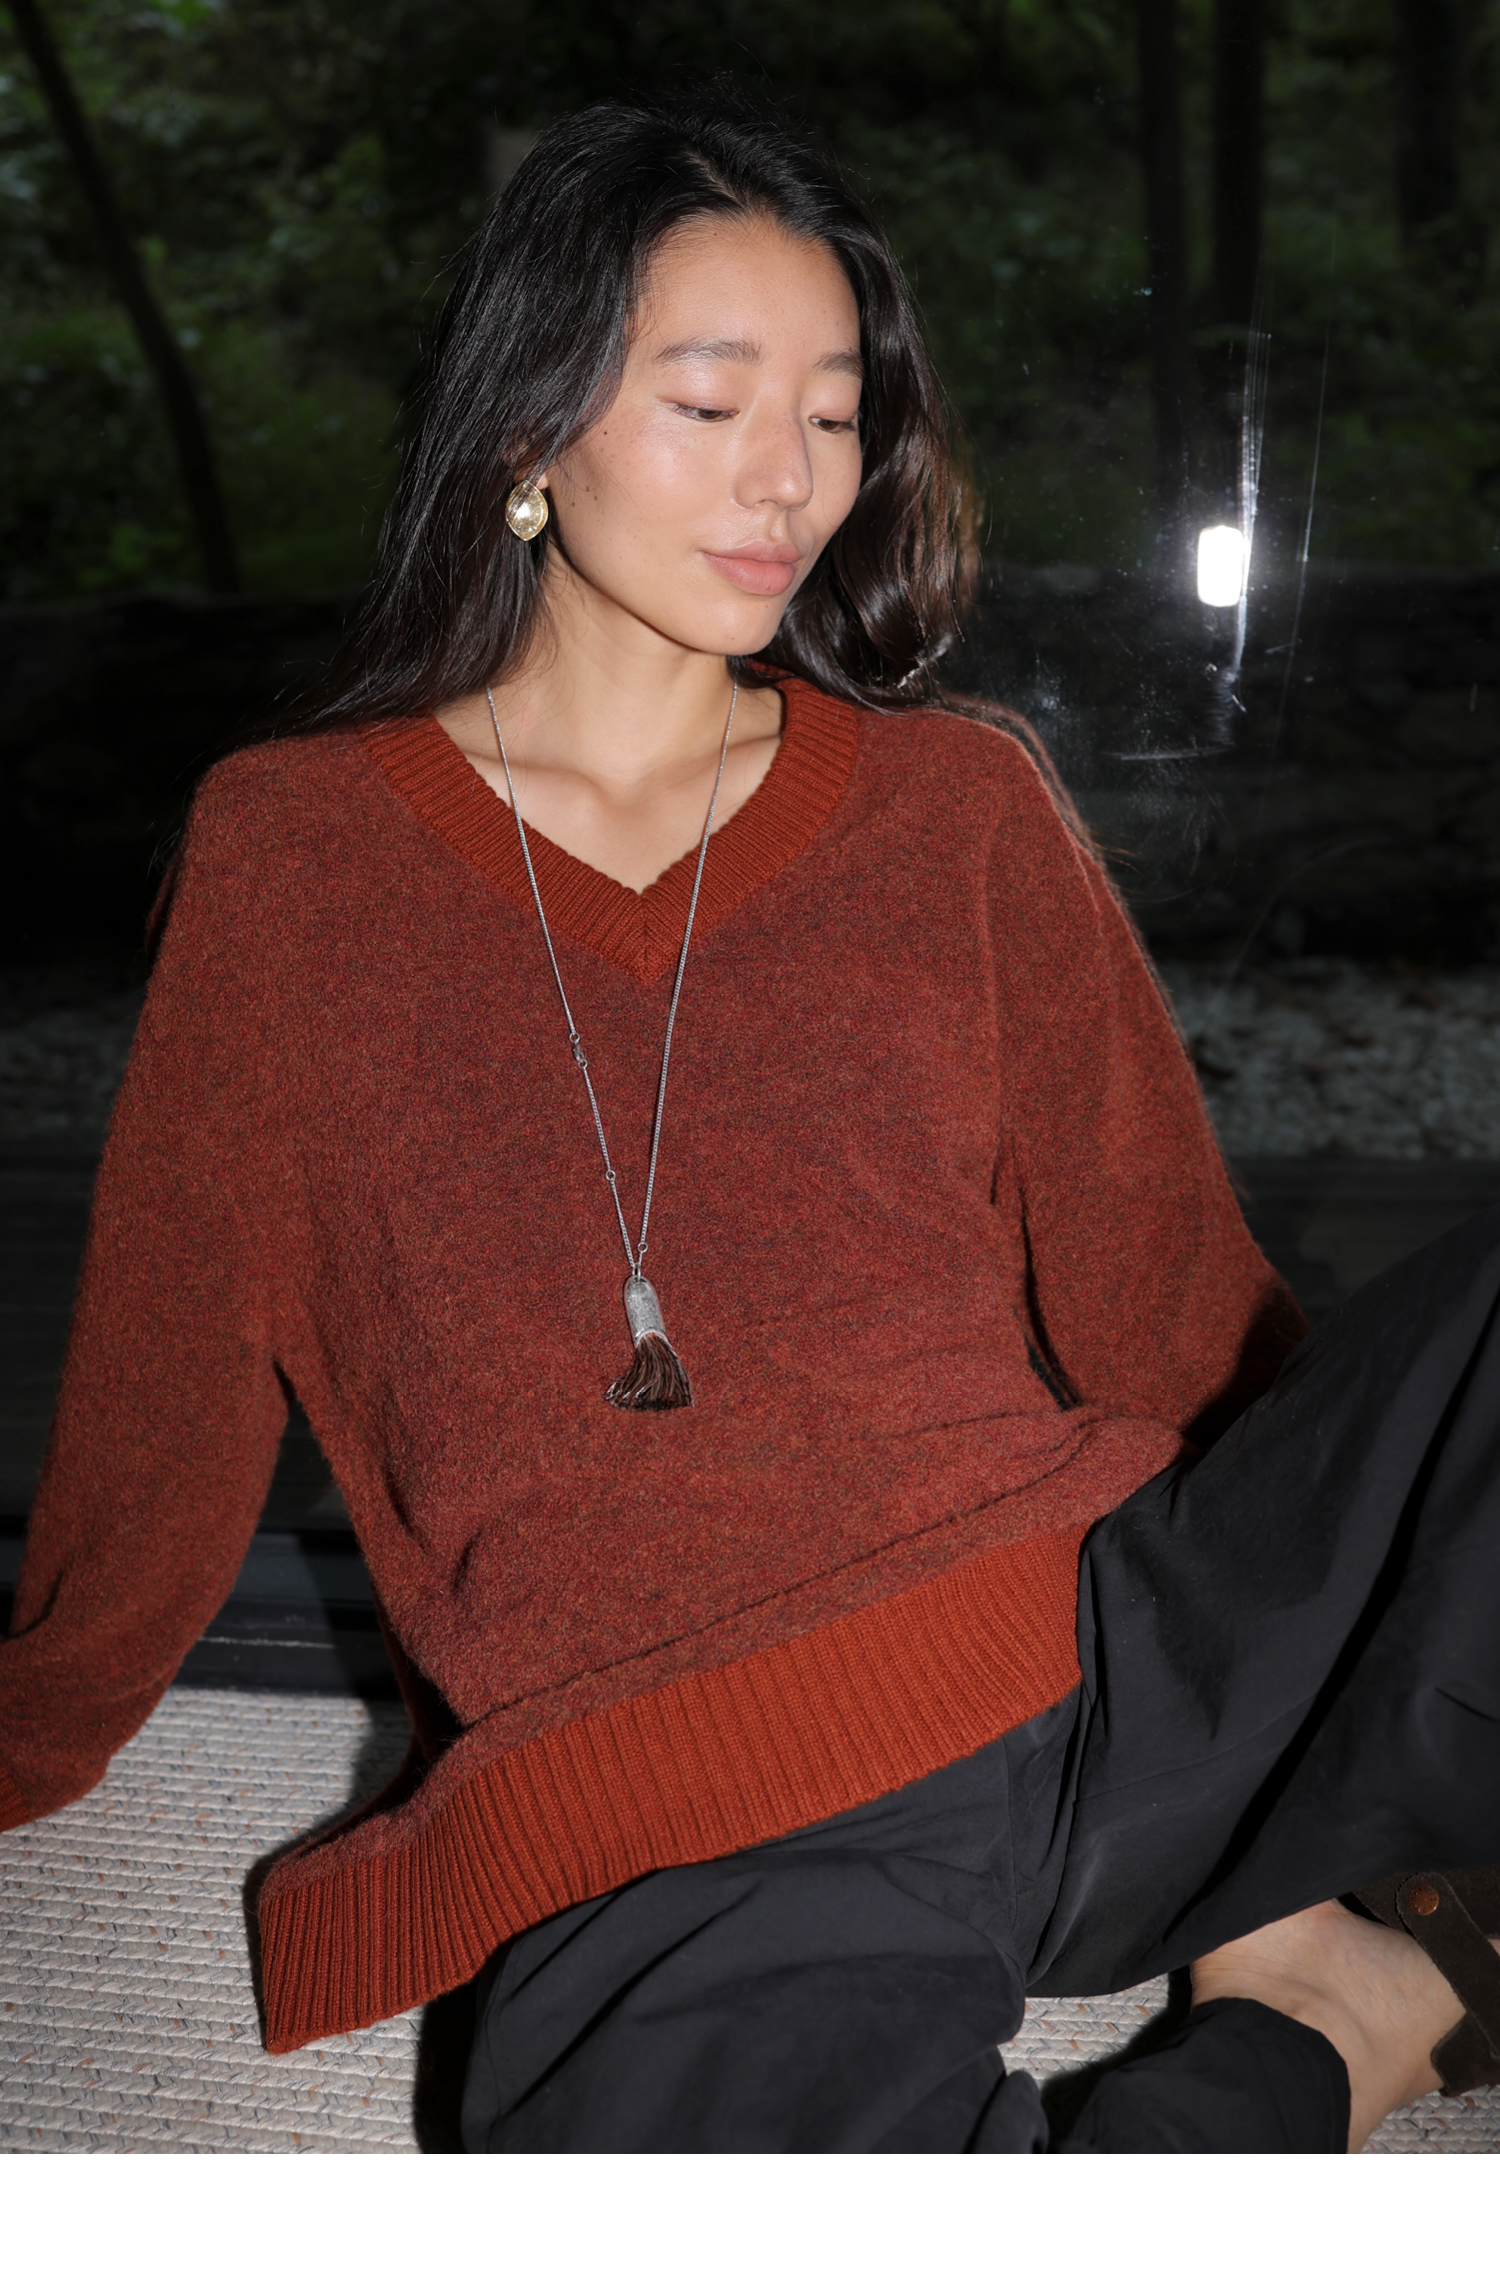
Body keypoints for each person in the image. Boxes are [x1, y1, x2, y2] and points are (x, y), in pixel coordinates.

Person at [2, 88, 1497, 2155]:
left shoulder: (958, 806)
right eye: (711, 404)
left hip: (1118, 1631)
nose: (789, 477)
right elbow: (165, 1385)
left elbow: (1177, 1302)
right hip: (707, 1782)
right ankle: (1340, 2016)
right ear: (527, 435)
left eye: (834, 412)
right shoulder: (297, 860)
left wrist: (1343, 1623)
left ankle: (1308, 1852)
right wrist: (36, 1733)